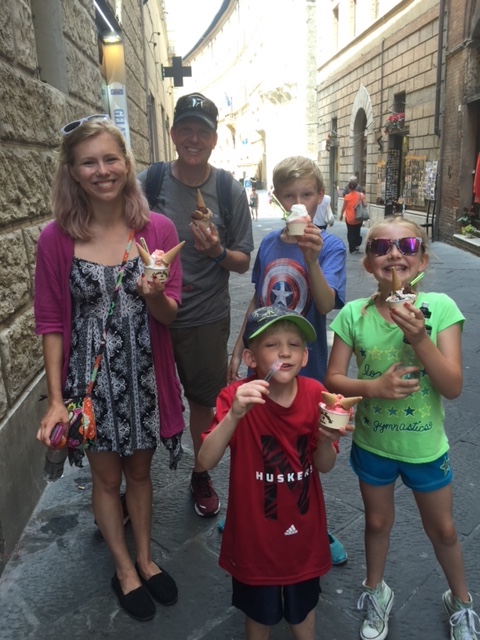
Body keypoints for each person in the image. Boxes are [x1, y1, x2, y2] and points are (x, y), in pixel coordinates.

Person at [34, 115, 184, 622]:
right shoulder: (56, 239)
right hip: (90, 383)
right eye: (88, 162)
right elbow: (51, 322)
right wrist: (57, 400)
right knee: (106, 479)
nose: (102, 171)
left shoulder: (158, 230)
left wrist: (154, 293)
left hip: (145, 377)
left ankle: (145, 557)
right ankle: (123, 568)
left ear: (127, 163)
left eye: (110, 159)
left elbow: (170, 314)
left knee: (140, 473)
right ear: (72, 171)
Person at [325, 216, 480, 640]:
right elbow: (333, 379)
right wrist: (372, 388)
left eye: (407, 245)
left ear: (422, 259)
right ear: (368, 264)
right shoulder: (354, 315)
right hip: (374, 444)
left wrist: (421, 338)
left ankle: (461, 601)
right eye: (381, 247)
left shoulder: (441, 309)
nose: (394, 254)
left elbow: (452, 386)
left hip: (425, 448)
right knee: (376, 524)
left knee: (444, 529)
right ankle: (376, 591)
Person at [198, 305, 351, 640]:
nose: (285, 352)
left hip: (304, 535)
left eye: (294, 345)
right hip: (254, 538)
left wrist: (327, 439)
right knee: (259, 617)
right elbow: (205, 460)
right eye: (272, 345)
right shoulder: (235, 398)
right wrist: (234, 415)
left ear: (305, 357)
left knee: (303, 615)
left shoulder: (315, 395)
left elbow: (324, 465)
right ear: (251, 359)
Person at [138, 92, 254, 517]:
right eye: (185, 129)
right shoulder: (149, 183)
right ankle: (135, 482)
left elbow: (243, 261)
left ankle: (200, 474)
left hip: (204, 316)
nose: (193, 138)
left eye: (201, 132)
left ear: (214, 139)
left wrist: (217, 252)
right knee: (142, 400)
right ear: (172, 134)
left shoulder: (227, 189)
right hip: (149, 314)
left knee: (203, 403)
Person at [227, 156, 348, 565]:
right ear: (278, 199)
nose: (299, 202)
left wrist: (311, 258)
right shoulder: (268, 245)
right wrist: (238, 347)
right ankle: (253, 515)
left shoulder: (330, 247)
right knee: (259, 445)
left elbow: (326, 304)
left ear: (320, 197)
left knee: (306, 450)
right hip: (262, 367)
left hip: (305, 372)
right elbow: (259, 299)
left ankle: (312, 522)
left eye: (307, 194)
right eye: (290, 195)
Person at [339, 180, 366, 254]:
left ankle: (352, 249)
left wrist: (341, 215)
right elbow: (365, 205)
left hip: (350, 219)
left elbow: (344, 207)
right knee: (357, 232)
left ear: (349, 187)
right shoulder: (361, 195)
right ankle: (357, 246)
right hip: (359, 218)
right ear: (356, 186)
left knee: (351, 233)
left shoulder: (347, 197)